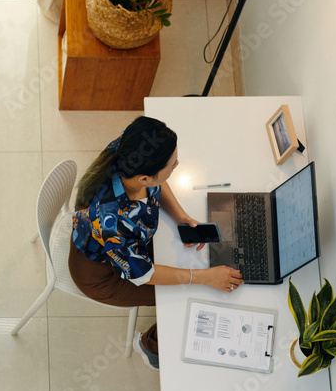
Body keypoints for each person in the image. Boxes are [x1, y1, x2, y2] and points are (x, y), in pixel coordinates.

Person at [69, 116, 243, 369]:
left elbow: (156, 185)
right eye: (171, 166)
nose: (177, 165)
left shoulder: (128, 152)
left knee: (193, 275)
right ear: (143, 178)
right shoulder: (112, 223)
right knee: (191, 292)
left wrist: (180, 215)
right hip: (103, 275)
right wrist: (202, 277)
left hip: (128, 246)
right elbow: (144, 274)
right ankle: (151, 346)